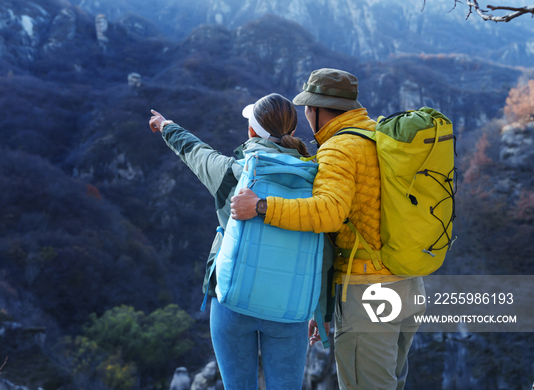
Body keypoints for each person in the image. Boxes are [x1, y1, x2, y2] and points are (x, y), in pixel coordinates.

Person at [230, 69, 426, 390]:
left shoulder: (338, 148)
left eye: (308, 107)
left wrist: (262, 207)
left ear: (316, 110)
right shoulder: (378, 133)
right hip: (408, 284)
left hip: (370, 292)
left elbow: (328, 214)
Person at [149, 93, 325, 390]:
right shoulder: (315, 178)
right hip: (291, 308)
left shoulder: (232, 172)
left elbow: (195, 151)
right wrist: (322, 309)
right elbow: (328, 242)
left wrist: (166, 126)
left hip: (233, 300)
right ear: (292, 132)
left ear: (251, 131)